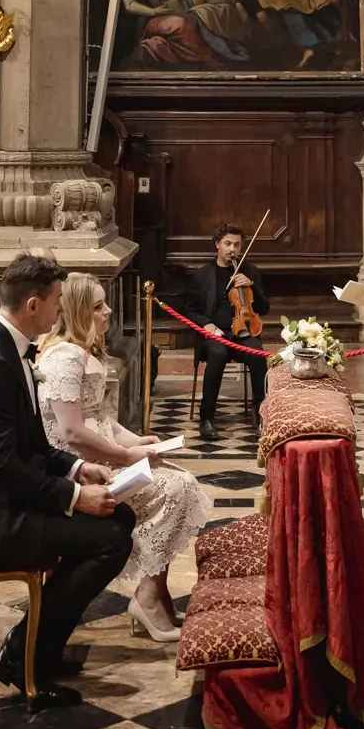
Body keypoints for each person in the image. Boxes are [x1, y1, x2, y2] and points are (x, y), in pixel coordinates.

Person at [0, 253, 133, 707]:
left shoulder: (10, 349)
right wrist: (77, 498)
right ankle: (23, 654)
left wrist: (78, 469)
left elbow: (33, 444)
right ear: (33, 304)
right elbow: (2, 469)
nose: (61, 309)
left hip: (2, 498)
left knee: (122, 519)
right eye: (57, 300)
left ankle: (42, 646)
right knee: (110, 540)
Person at [37, 272, 212, 641]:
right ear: (79, 312)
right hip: (80, 472)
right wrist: (128, 455)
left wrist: (141, 444)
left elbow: (101, 418)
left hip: (105, 459)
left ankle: (158, 596)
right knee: (176, 489)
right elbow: (72, 433)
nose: (108, 312)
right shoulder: (63, 359)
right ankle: (147, 599)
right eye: (98, 306)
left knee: (180, 479)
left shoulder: (83, 352)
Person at [188, 223, 270, 443]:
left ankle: (262, 417)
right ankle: (206, 418)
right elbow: (190, 310)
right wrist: (206, 324)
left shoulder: (249, 271)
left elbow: (264, 308)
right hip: (216, 334)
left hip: (244, 331)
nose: (232, 249)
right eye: (227, 244)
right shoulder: (203, 274)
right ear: (217, 245)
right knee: (217, 354)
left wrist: (251, 286)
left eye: (236, 245)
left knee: (258, 355)